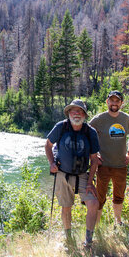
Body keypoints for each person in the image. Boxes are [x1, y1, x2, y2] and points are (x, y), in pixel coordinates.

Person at [45, 99, 100, 247]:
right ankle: (68, 238)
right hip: (63, 173)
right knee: (66, 206)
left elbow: (94, 160)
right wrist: (51, 163)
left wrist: (90, 182)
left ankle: (88, 240)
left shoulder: (90, 132)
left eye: (80, 111)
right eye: (74, 111)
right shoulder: (61, 127)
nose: (77, 113)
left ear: (85, 115)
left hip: (83, 174)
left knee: (94, 203)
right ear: (69, 113)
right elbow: (48, 145)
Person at [89, 90, 129, 225]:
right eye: (112, 100)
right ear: (107, 102)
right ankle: (96, 224)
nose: (114, 103)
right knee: (100, 196)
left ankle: (117, 222)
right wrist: (94, 154)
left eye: (117, 101)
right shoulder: (99, 119)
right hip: (103, 165)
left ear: (121, 103)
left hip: (121, 164)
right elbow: (87, 132)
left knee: (119, 195)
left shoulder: (125, 119)